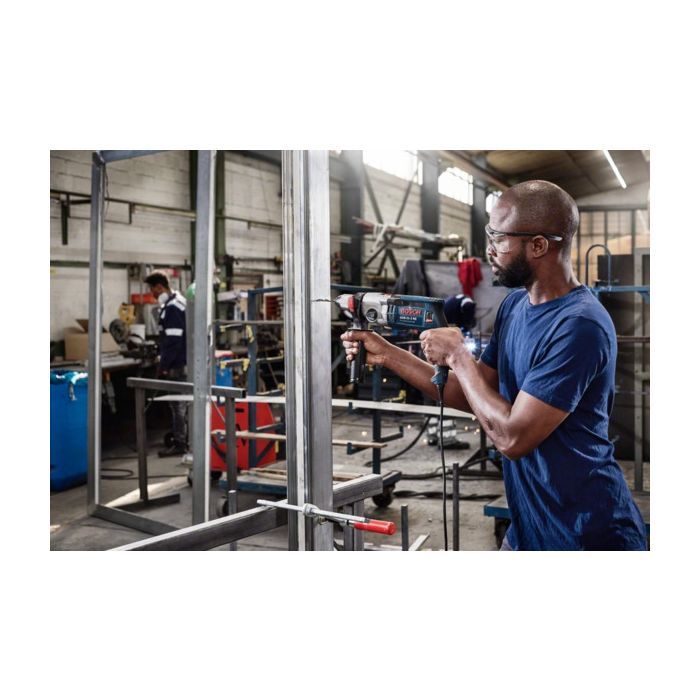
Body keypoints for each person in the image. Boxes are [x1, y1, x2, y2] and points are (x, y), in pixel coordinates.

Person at [342, 180, 647, 551]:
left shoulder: (579, 325)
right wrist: (387, 353)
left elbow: (513, 439)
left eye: (499, 239)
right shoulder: (515, 306)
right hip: (529, 527)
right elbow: (470, 393)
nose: (489, 249)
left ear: (539, 245)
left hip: (585, 533)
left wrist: (458, 355)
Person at [144, 270, 188, 457]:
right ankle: (185, 440)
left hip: (178, 363)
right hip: (184, 360)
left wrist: (163, 365)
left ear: (159, 287)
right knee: (183, 404)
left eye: (152, 290)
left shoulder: (172, 307)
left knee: (177, 405)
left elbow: (173, 341)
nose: (152, 294)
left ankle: (180, 444)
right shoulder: (179, 301)